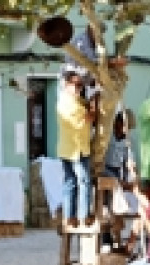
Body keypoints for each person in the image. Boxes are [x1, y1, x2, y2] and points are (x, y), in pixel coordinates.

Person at [57, 70, 95, 228]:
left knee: (70, 183)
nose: (80, 88)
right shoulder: (70, 103)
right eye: (77, 85)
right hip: (77, 148)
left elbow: (84, 104)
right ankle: (83, 215)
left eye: (81, 85)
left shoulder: (71, 100)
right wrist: (94, 106)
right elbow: (89, 117)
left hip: (67, 148)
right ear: (67, 85)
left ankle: (69, 216)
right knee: (84, 182)